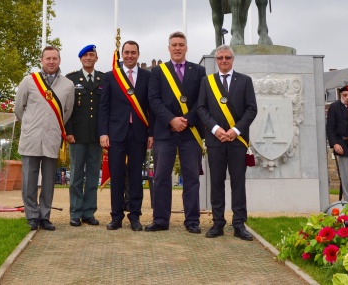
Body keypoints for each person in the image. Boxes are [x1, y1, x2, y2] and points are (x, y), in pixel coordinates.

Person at [146, 32, 207, 234]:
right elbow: (153, 100)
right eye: (174, 45)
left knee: (191, 177)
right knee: (162, 177)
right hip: (165, 131)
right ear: (169, 48)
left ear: (186, 47)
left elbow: (202, 100)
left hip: (190, 132)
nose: (178, 48)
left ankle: (192, 221)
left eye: (181, 44)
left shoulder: (198, 70)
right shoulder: (157, 72)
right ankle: (161, 219)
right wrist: (171, 120)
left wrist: (185, 121)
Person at [196, 45, 258, 241]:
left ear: (233, 59)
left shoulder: (245, 81)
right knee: (217, 182)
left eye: (227, 58)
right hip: (216, 141)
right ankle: (218, 222)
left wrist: (235, 131)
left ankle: (239, 224)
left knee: (238, 183)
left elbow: (251, 109)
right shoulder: (208, 82)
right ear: (216, 60)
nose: (224, 61)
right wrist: (216, 130)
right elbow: (201, 109)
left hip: (237, 140)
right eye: (220, 58)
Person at [14, 46, 75, 231]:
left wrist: (52, 126)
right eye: (48, 58)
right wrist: (31, 125)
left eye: (55, 58)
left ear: (59, 61)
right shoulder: (29, 81)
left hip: (52, 138)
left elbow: (67, 111)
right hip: (31, 138)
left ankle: (45, 216)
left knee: (49, 181)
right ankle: (32, 216)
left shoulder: (68, 85)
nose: (51, 61)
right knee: (29, 180)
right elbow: (19, 108)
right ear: (41, 60)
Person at [98, 40, 154, 231]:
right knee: (118, 175)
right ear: (122, 54)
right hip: (115, 133)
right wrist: (103, 133)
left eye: (133, 52)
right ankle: (116, 216)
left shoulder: (148, 76)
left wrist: (151, 133)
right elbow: (104, 106)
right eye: (127, 52)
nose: (130, 56)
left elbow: (151, 107)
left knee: (137, 176)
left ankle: (135, 216)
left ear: (138, 54)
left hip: (139, 132)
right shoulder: (111, 76)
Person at [64, 44, 104, 227]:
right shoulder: (71, 79)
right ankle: (75, 212)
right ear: (80, 59)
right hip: (77, 136)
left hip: (96, 136)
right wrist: (69, 131)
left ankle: (89, 212)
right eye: (85, 55)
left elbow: (106, 109)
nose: (89, 58)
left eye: (92, 55)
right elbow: (67, 109)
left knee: (93, 175)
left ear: (96, 58)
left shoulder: (104, 79)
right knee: (77, 175)